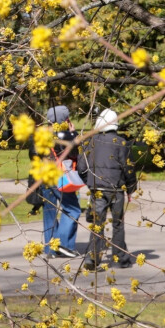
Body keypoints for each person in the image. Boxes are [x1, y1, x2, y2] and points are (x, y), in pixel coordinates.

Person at [78, 107, 136, 269]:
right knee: (118, 223)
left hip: (97, 190)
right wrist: (131, 188)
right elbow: (129, 168)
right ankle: (120, 258)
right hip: (116, 190)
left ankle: (92, 258)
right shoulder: (122, 143)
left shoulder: (90, 142)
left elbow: (82, 166)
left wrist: (89, 181)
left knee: (98, 223)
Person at [31, 105, 81, 258]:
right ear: (64, 119)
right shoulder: (63, 135)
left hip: (44, 176)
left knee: (49, 212)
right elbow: (74, 152)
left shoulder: (40, 134)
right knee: (72, 210)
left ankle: (50, 249)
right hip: (60, 176)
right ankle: (63, 245)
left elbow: (33, 153)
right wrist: (72, 134)